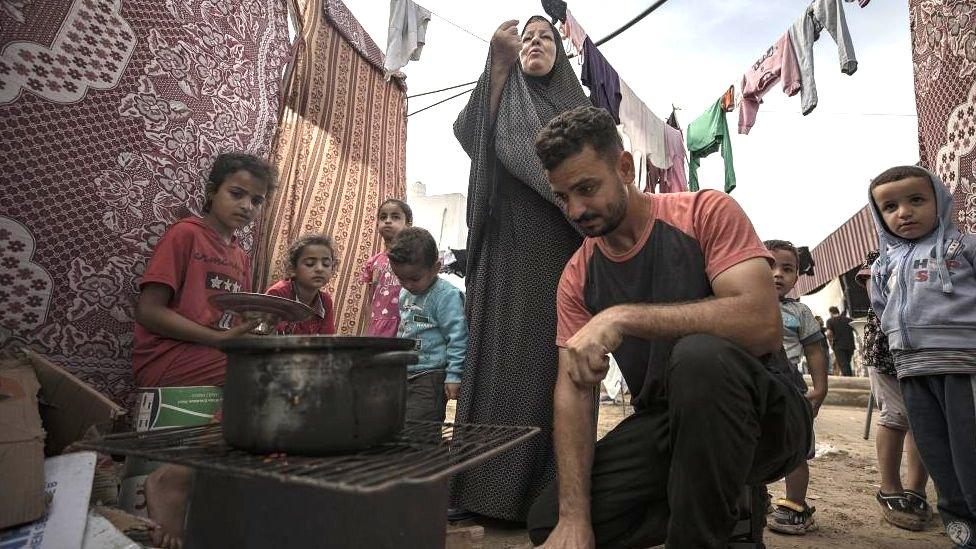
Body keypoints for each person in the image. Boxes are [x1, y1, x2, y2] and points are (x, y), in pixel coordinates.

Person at [526, 106, 811, 548]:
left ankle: (706, 528)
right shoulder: (578, 275)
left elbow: (761, 322)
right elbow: (573, 389)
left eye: (586, 188)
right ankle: (726, 507)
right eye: (564, 197)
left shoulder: (704, 212)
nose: (576, 210)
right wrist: (574, 516)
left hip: (765, 415)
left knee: (700, 357)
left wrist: (623, 316)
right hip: (668, 422)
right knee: (551, 524)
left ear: (624, 168)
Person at [451, 15, 588, 521]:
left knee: (552, 364)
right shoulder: (501, 92)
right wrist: (498, 68)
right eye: (527, 36)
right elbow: (472, 135)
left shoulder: (578, 108)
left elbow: (588, 165)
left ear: (561, 53)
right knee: (494, 360)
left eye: (546, 37)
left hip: (558, 251)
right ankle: (481, 493)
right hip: (503, 251)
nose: (535, 43)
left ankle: (543, 497)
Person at [132, 152, 276, 548]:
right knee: (258, 381)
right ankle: (172, 479)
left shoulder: (240, 256)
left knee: (277, 373)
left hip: (211, 356)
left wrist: (260, 326)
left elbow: (233, 317)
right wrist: (218, 341)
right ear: (212, 192)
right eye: (237, 193)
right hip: (168, 354)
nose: (247, 206)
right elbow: (148, 311)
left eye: (257, 200)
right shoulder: (186, 235)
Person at [868, 165, 976, 547]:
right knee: (935, 449)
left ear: (939, 200)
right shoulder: (883, 265)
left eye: (916, 200)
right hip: (912, 370)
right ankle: (960, 522)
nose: (904, 212)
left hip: (962, 366)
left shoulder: (964, 247)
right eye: (890, 206)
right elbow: (883, 310)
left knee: (969, 447)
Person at [857, 250, 932, 531]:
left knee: (922, 419)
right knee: (895, 416)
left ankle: (916, 489)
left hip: (927, 348)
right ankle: (889, 487)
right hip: (888, 348)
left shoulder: (937, 251)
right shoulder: (880, 257)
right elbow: (877, 298)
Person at [764, 239, 829, 535]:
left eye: (787, 269)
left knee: (794, 448)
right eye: (769, 266)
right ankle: (754, 498)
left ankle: (795, 507)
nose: (778, 274)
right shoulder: (741, 303)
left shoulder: (799, 312)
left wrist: (820, 387)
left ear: (796, 277)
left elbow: (815, 350)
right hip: (751, 389)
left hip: (789, 391)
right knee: (746, 443)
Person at [387, 227, 467, 421]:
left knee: (422, 428)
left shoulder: (446, 296)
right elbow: (405, 329)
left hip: (431, 376)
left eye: (414, 278)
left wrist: (454, 375)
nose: (407, 284)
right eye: (400, 278)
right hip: (405, 372)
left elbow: (458, 338)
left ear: (436, 268)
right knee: (401, 424)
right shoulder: (406, 292)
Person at [265, 234, 337, 335]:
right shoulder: (278, 293)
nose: (320, 269)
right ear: (292, 269)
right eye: (310, 263)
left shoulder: (325, 302)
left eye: (326, 264)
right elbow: (265, 336)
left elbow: (327, 340)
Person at [360, 199, 412, 337]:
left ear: (408, 224)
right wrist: (366, 332)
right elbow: (370, 300)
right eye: (383, 217)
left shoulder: (414, 259)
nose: (388, 221)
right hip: (378, 328)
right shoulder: (373, 262)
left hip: (406, 326)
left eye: (395, 217)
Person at [826, 305, 855, 376]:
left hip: (839, 346)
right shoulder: (848, 320)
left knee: (844, 365)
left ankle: (849, 382)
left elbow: (829, 333)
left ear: (831, 313)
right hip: (850, 345)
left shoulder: (830, 321)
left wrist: (831, 344)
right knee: (847, 363)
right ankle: (849, 378)